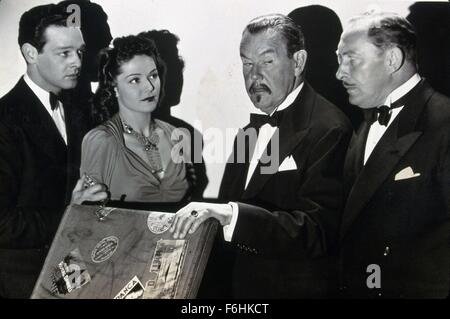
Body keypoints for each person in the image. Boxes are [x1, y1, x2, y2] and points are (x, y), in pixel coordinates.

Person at [170, 14, 352, 298]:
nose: (254, 76)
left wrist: (232, 215)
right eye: (246, 63)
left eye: (267, 61)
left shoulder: (331, 128)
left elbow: (317, 231)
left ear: (298, 62)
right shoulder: (248, 132)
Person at [335, 11, 450, 298]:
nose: (339, 73)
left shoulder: (445, 124)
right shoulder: (364, 124)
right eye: (339, 60)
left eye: (351, 59)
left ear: (392, 60)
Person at [0, 3, 106, 298]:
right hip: (20, 284)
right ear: (31, 53)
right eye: (64, 53)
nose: (77, 62)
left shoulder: (77, 110)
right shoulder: (4, 120)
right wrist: (70, 212)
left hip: (74, 274)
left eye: (80, 52)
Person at [80, 35, 191, 203]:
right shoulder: (101, 141)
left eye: (153, 76)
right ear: (114, 87)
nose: (150, 87)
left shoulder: (176, 135)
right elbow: (88, 216)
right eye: (135, 80)